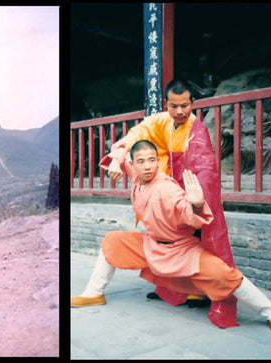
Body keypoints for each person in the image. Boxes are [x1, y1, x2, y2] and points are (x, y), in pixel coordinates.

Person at [72, 140, 271, 336]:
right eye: (141, 161)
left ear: (157, 161)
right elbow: (120, 147)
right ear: (134, 164)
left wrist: (195, 204)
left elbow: (185, 211)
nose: (147, 166)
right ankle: (94, 293)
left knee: (226, 275)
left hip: (182, 250)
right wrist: (115, 161)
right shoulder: (136, 176)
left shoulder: (166, 188)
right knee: (113, 240)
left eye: (151, 160)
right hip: (153, 245)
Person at [99, 79, 237, 328]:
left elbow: (205, 166)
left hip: (189, 191)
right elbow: (135, 137)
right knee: (166, 242)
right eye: (174, 106)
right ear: (167, 104)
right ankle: (171, 288)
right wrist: (119, 157)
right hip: (165, 190)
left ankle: (203, 292)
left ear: (193, 103)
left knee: (198, 241)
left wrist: (196, 199)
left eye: (185, 105)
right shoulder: (158, 121)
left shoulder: (198, 130)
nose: (180, 111)